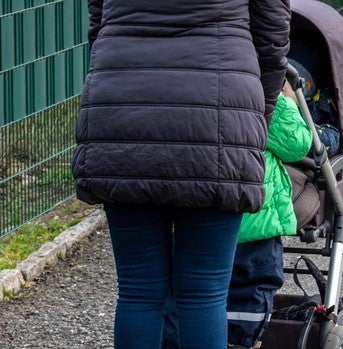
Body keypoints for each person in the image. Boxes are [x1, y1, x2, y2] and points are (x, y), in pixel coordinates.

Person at [71, 1, 291, 348]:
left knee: (138, 291)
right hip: (219, 112)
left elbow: (99, 23)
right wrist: (254, 115)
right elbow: (272, 35)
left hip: (124, 108)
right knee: (203, 293)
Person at [162, 81, 313, 349]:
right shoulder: (261, 84)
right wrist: (288, 100)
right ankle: (241, 342)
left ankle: (179, 341)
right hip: (255, 219)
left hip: (193, 210)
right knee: (250, 288)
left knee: (187, 288)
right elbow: (296, 144)